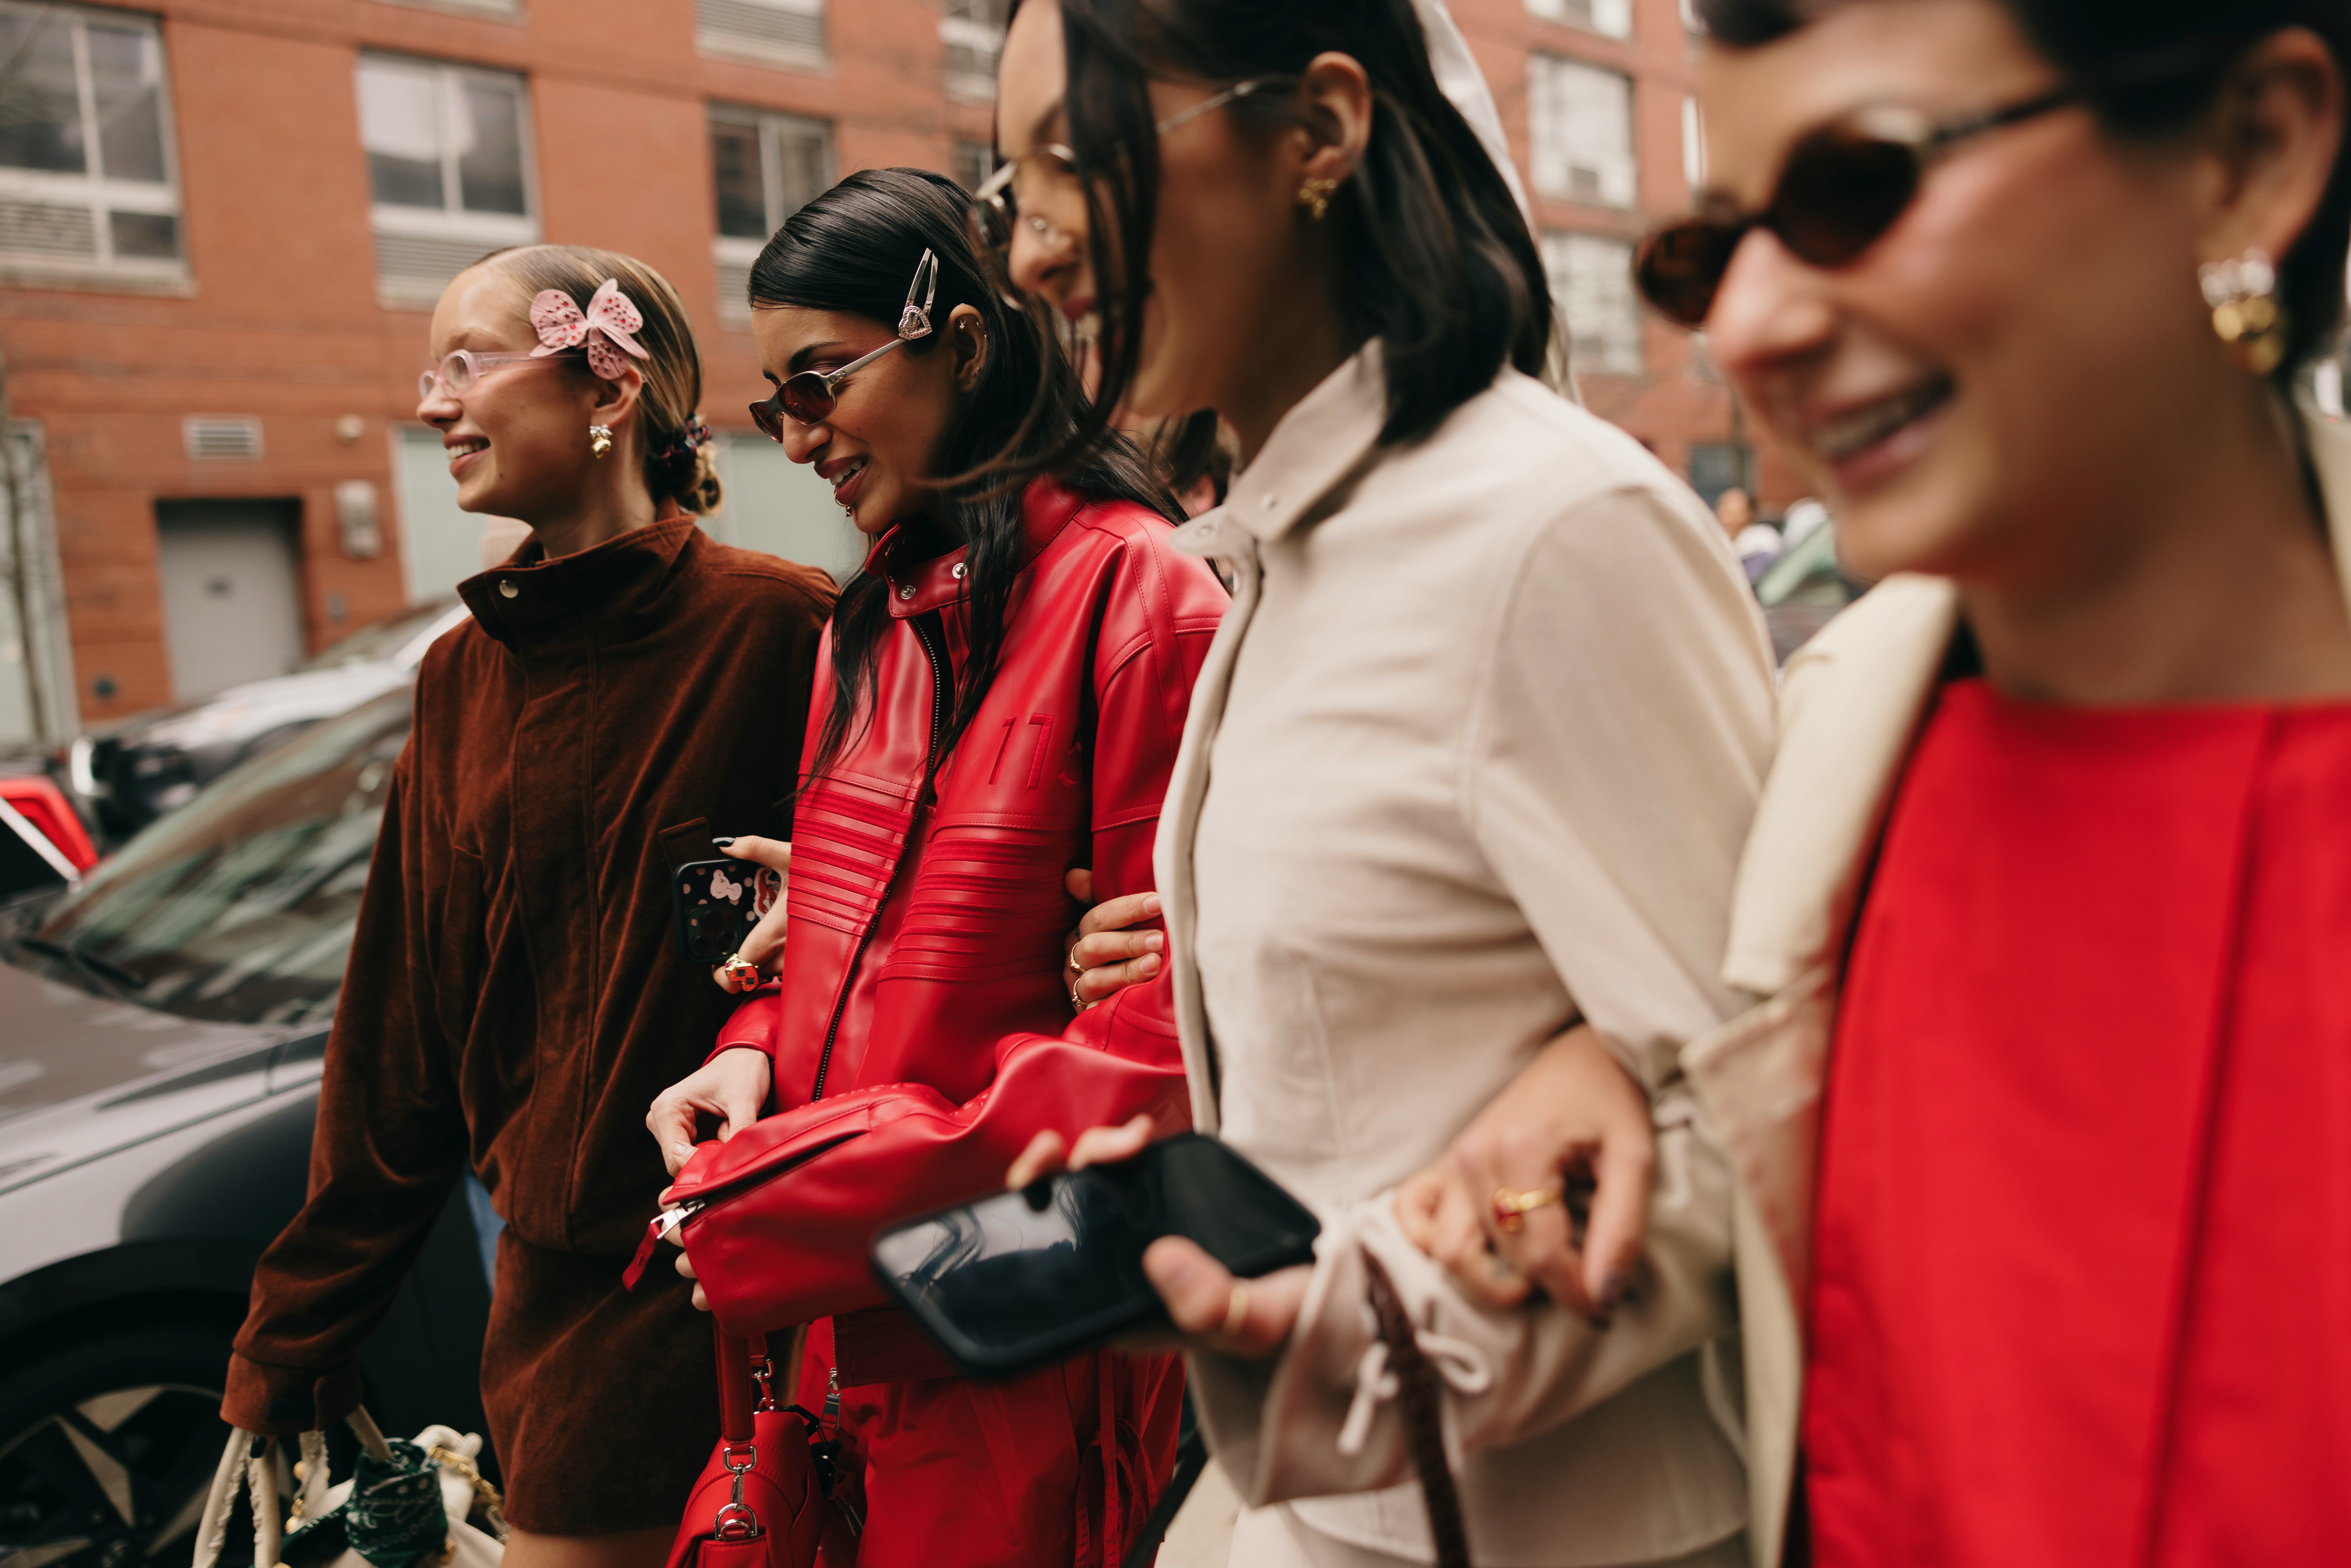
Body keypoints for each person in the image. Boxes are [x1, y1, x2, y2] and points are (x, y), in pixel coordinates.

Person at [1404, 1, 2351, 1563]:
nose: (1753, 325)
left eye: (1859, 188)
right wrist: (1609, 1073)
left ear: (2247, 154)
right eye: (1714, 254)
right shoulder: (1838, 758)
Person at [994, 2, 1778, 1564]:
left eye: (1075, 165)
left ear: (1320, 133)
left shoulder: (1551, 528)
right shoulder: (1278, 549)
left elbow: (1763, 1105)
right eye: (1007, 192)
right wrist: (1208, 1206)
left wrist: (1354, 1330)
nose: (1033, 251)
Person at [640, 168, 1228, 1568]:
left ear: (962, 343)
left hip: (1022, 1343)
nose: (793, 441)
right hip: (844, 1336)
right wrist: (753, 1055)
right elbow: (827, 947)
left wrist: (794, 1202)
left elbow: (1162, 1071)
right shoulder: (867, 628)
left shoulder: (1146, 602)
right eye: (773, 399)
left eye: (819, 383)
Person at [221, 248, 836, 1568]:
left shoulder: (786, 633)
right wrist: (296, 1331)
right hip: (563, 1317)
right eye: (428, 373)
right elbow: (399, 1036)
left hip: (781, 1281)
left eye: (466, 363)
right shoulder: (458, 682)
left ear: (604, 385)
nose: (434, 405)